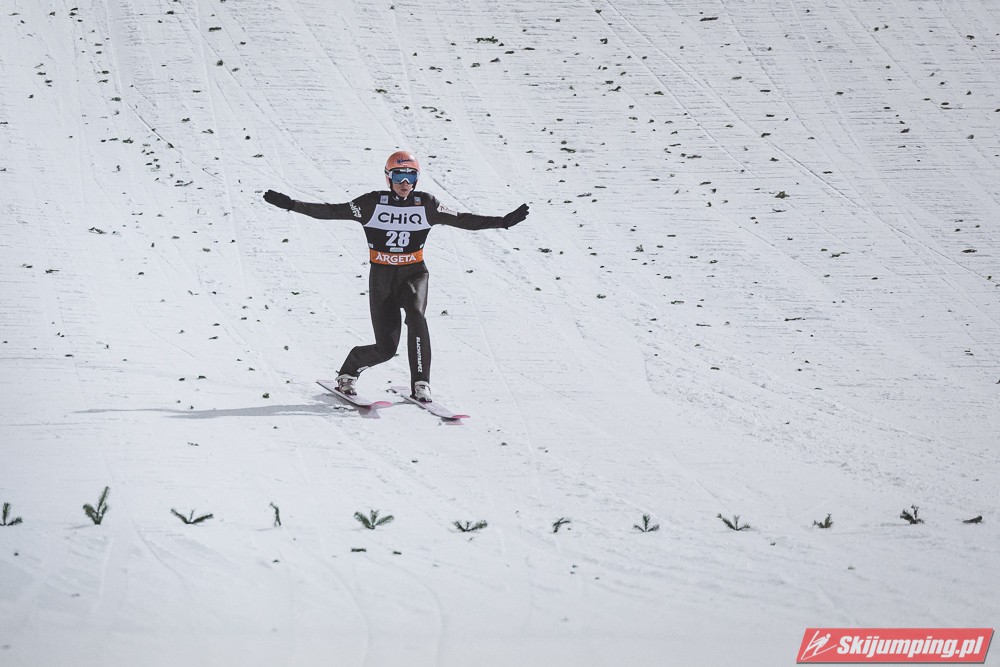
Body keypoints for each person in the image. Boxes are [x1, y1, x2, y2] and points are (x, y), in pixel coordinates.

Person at [263, 151, 529, 403]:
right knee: (386, 349)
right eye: (399, 176)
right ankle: (349, 370)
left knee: (416, 315)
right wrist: (291, 205)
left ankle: (421, 383)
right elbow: (332, 211)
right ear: (388, 178)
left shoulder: (427, 204)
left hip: (414, 274)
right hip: (382, 278)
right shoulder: (371, 203)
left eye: (411, 177)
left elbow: (463, 219)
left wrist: (502, 221)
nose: (405, 183)